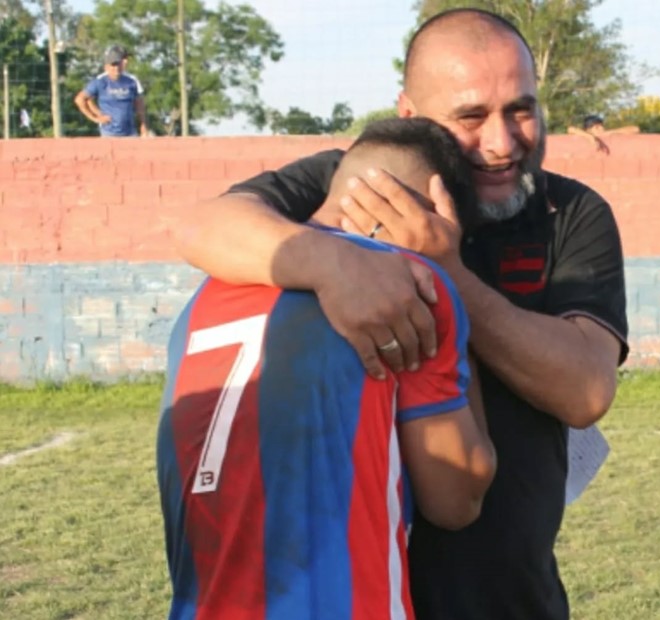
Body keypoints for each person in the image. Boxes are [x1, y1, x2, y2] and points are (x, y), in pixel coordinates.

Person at [174, 8, 628, 620]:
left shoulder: (568, 211)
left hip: (505, 597)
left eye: (521, 109)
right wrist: (334, 266)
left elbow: (586, 391)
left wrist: (446, 276)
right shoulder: (364, 177)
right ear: (409, 116)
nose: (502, 142)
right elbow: (200, 225)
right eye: (471, 117)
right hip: (359, 592)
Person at [157, 117, 496, 619]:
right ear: (425, 211)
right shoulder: (409, 286)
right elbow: (457, 497)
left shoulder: (206, 294)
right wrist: (449, 278)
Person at [74, 45, 148, 137]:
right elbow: (82, 99)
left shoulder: (131, 81)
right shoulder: (101, 81)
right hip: (109, 132)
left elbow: (139, 104)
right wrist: (97, 116)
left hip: (130, 132)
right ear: (107, 66)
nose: (116, 67)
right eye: (113, 64)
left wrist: (143, 125)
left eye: (119, 63)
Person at [567, 114, 640, 153]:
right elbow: (570, 129)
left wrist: (612, 132)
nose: (601, 129)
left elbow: (635, 129)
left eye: (601, 126)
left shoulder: (608, 133)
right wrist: (589, 137)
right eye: (597, 127)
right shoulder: (586, 134)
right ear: (588, 130)